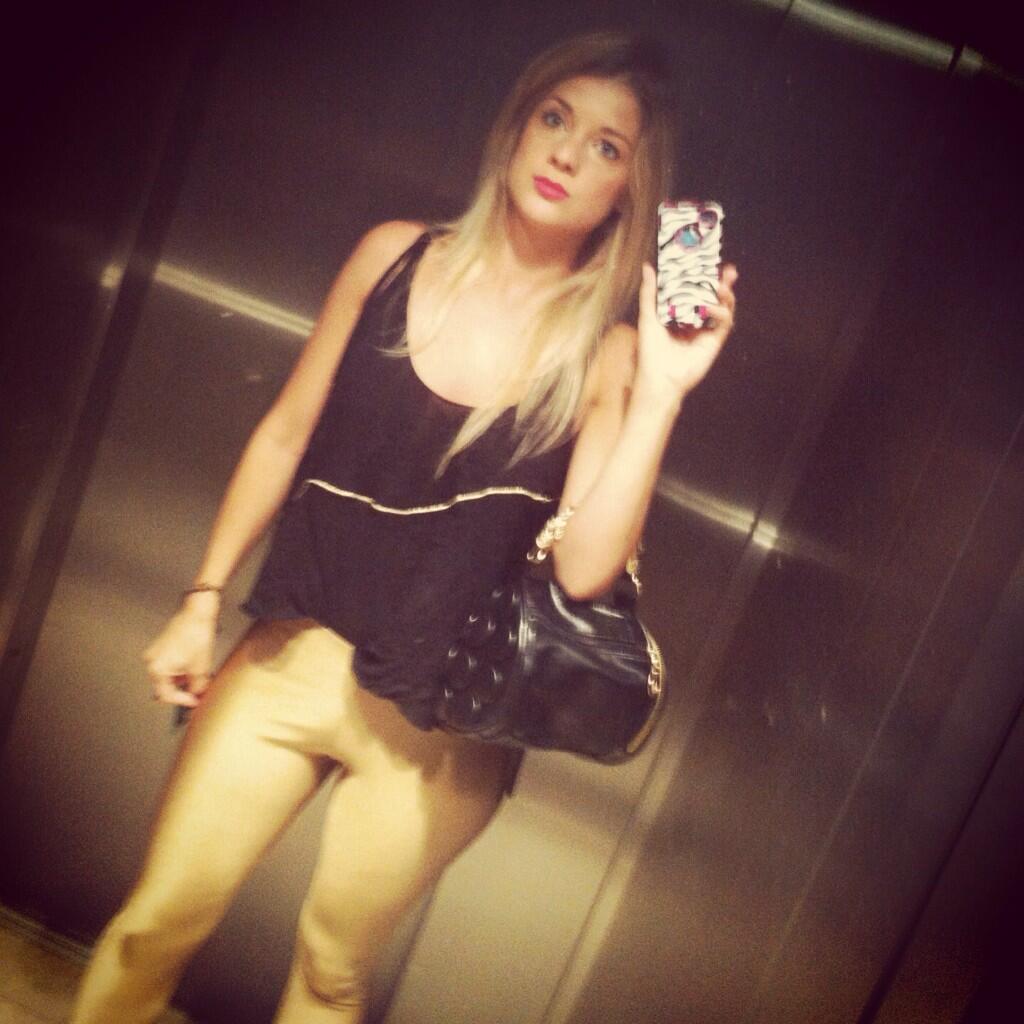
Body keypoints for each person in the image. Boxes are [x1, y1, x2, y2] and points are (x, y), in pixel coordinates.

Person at [70, 28, 737, 1024]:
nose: (565, 153)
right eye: (554, 118)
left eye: (606, 147)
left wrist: (664, 393)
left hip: (443, 731)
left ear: (626, 194)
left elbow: (586, 572)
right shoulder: (392, 256)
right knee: (152, 923)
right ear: (516, 128)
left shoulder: (608, 356)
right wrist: (200, 598)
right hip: (288, 659)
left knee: (330, 977)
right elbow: (286, 431)